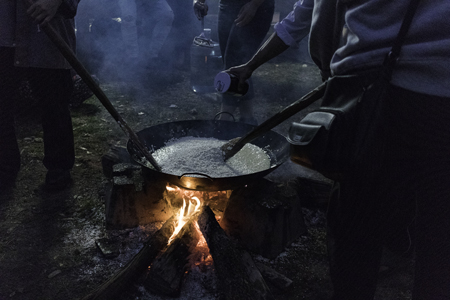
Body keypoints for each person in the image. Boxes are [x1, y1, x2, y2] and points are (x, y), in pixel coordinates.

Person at [226, 0, 450, 299]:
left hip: (379, 96)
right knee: (440, 225)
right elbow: (301, 15)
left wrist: (333, 68)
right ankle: (404, 245)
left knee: (356, 221)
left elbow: (311, 16)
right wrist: (250, 66)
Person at [0, 0, 79, 192]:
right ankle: (5, 165)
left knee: (54, 103)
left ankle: (59, 169)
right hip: (3, 29)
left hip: (45, 29)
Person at [193, 0, 274, 125]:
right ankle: (248, 120)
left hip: (255, 7)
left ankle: (224, 120)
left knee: (234, 60)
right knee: (236, 63)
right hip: (226, 6)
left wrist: (254, 4)